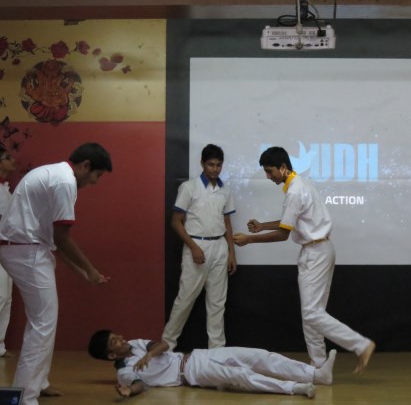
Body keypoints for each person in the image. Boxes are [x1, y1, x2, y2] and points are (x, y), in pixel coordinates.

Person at [232, 146, 375, 374]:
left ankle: (360, 345)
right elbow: (291, 221)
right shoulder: (301, 185)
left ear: (283, 167)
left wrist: (249, 239)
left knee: (311, 313)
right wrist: (262, 226)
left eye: (270, 171)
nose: (268, 176)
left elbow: (283, 234)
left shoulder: (295, 191)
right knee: (312, 313)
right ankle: (319, 367)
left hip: (315, 253)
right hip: (320, 249)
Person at [0, 142, 112, 405]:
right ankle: (25, 397)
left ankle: (38, 383)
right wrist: (90, 269)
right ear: (85, 165)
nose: (95, 182)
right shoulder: (64, 182)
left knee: (44, 321)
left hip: (24, 248)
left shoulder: (55, 174)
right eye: (96, 175)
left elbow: (53, 240)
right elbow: (62, 237)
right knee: (42, 324)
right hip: (25, 251)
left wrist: (82, 272)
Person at [88, 329, 337, 399]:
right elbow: (138, 385)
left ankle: (316, 375)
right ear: (111, 355)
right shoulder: (124, 371)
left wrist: (149, 355)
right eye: (114, 341)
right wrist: (129, 392)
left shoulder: (136, 343)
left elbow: (163, 345)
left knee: (260, 356)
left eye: (116, 335)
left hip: (197, 356)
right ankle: (293, 388)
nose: (120, 338)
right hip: (190, 373)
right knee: (240, 375)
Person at [163, 144, 236, 350]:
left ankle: (217, 351)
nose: (215, 169)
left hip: (219, 246)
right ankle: (166, 345)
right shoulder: (189, 187)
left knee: (217, 302)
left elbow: (227, 222)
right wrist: (193, 247)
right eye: (211, 164)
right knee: (185, 298)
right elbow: (176, 221)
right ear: (202, 164)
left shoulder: (225, 190)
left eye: (219, 165)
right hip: (196, 244)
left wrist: (231, 253)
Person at [0, 143, 17, 358]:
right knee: (1, 295)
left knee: (7, 297)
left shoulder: (6, 189)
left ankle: (0, 344)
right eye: (7, 157)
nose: (13, 161)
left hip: (9, 248)